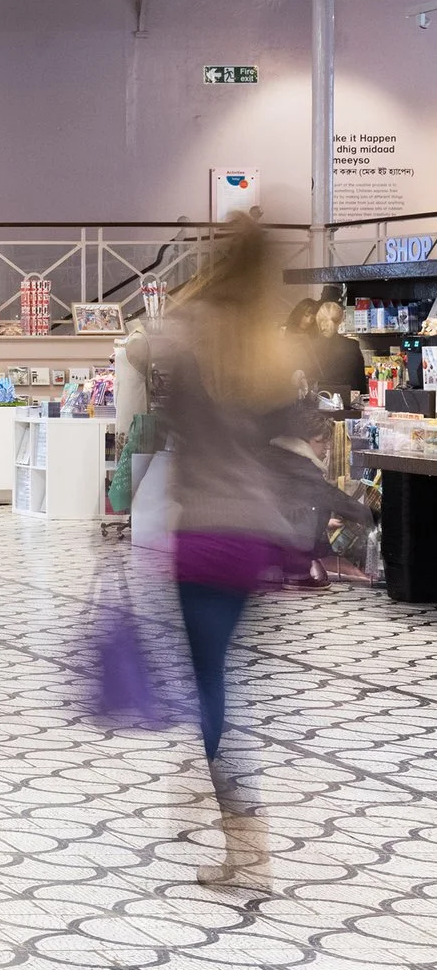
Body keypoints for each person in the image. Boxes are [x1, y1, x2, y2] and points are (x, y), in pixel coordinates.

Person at [153, 219, 318, 890]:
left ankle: (242, 844)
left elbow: (145, 365)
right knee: (231, 679)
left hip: (201, 533)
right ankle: (233, 820)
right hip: (255, 537)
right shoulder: (269, 349)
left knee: (211, 686)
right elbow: (292, 438)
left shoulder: (192, 330)